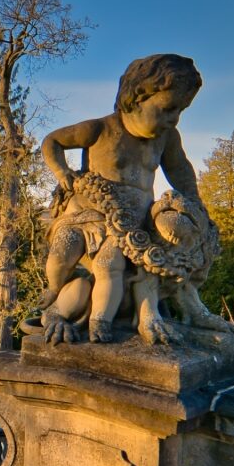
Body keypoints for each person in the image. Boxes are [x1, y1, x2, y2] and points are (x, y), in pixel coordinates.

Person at [40, 54, 205, 343]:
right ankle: (54, 296)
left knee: (113, 266)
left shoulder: (167, 138)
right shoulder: (100, 129)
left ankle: (102, 321)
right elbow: (52, 141)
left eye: (181, 110)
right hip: (88, 215)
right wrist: (61, 171)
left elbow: (180, 170)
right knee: (61, 256)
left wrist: (194, 202)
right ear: (138, 97)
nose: (174, 118)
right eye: (168, 108)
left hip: (132, 225)